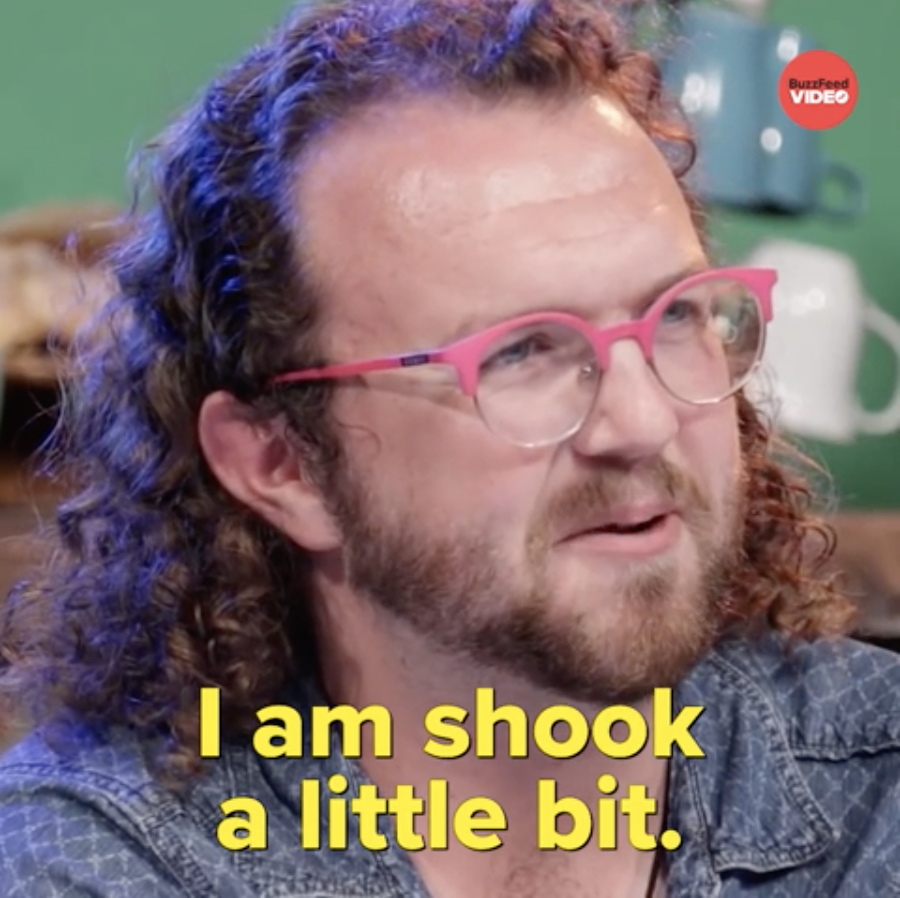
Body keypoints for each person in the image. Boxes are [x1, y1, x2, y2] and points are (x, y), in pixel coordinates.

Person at [1, 0, 898, 895]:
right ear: (281, 464)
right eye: (521, 352)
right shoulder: (101, 862)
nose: (645, 423)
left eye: (675, 317)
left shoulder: (874, 783)